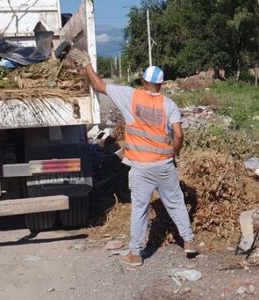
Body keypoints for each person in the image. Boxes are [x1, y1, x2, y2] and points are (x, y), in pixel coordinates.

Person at [68, 49, 197, 266]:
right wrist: (176, 152)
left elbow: (99, 86)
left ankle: (136, 254)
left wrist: (88, 65)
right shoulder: (169, 105)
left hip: (141, 167)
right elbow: (179, 134)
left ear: (144, 81)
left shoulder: (131, 96)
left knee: (140, 209)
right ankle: (190, 242)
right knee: (176, 203)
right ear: (161, 84)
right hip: (164, 164)